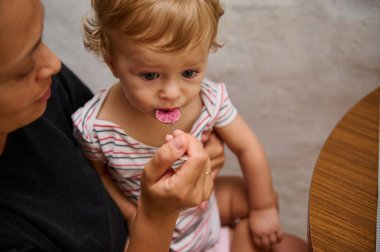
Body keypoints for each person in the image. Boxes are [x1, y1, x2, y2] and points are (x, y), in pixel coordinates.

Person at [72, 0, 308, 251]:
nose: (173, 93)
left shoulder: (209, 100)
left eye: (189, 73)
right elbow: (98, 176)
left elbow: (248, 147)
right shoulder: (95, 128)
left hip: (207, 211)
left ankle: (238, 235)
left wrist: (264, 208)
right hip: (156, 234)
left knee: (292, 242)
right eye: (150, 75)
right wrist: (132, 213)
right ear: (113, 63)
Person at [0, 0, 224, 251]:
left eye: (42, 39)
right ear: (112, 63)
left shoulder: (45, 91)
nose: (54, 63)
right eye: (22, 67)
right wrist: (153, 216)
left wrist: (210, 155)